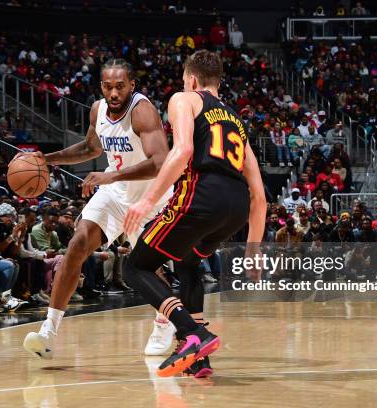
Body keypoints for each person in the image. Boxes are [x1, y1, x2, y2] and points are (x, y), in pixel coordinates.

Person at [122, 50, 266, 377]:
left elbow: (183, 150)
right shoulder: (235, 120)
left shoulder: (184, 99)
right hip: (235, 205)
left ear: (192, 79)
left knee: (134, 267)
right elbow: (259, 195)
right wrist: (253, 251)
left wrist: (148, 200)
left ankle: (193, 335)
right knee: (188, 262)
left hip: (203, 194)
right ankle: (199, 360)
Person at [23, 59, 174, 361]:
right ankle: (48, 333)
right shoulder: (98, 109)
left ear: (132, 85)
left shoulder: (143, 112)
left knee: (148, 269)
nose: (114, 92)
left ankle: (165, 321)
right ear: (101, 86)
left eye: (120, 86)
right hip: (115, 194)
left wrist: (111, 175)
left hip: (150, 200)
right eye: (108, 86)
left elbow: (160, 162)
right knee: (77, 244)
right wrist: (46, 159)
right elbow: (90, 148)